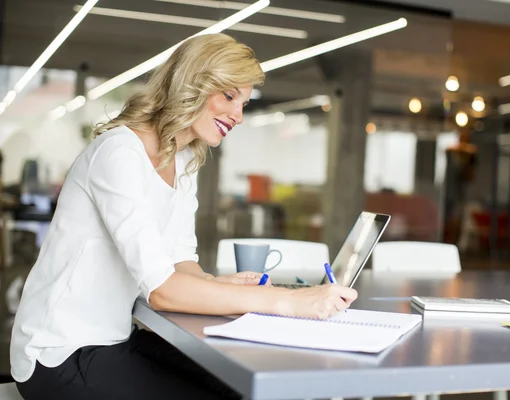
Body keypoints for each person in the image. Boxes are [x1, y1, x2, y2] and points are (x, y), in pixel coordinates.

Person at [10, 33, 357, 400]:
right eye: (228, 96)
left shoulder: (184, 159)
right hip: (60, 354)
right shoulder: (119, 154)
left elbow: (180, 262)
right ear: (193, 83)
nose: (238, 116)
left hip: (116, 340)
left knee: (236, 386)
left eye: (243, 102)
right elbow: (162, 291)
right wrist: (287, 302)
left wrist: (223, 285)